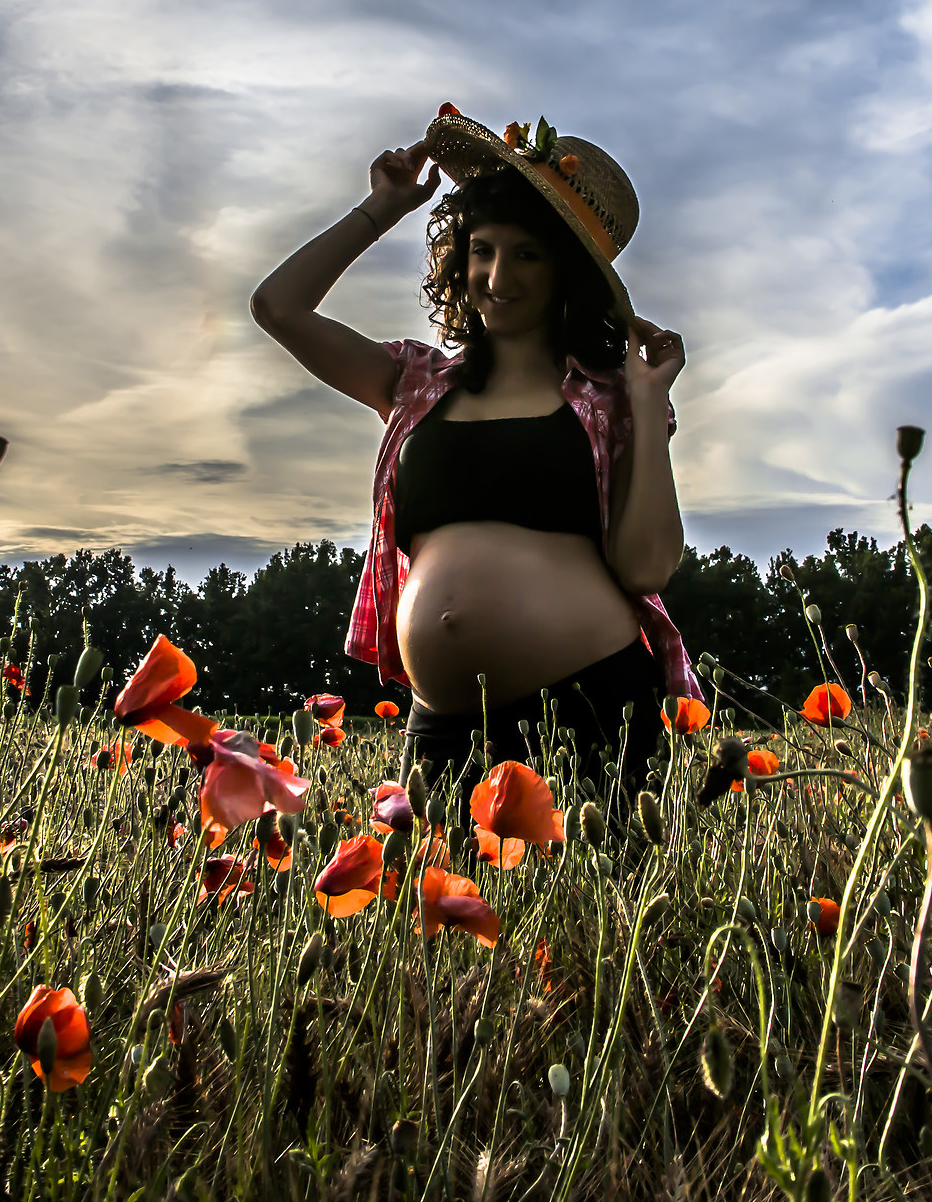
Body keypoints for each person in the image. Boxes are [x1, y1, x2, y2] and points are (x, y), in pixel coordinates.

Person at [250, 103, 697, 803]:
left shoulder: (612, 398)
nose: (497, 276)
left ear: (567, 272)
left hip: (588, 711)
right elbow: (278, 307)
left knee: (586, 880)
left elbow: (646, 567)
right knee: (436, 879)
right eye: (483, 250)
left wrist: (646, 396)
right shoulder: (415, 382)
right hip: (442, 729)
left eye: (527, 254)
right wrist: (382, 207)